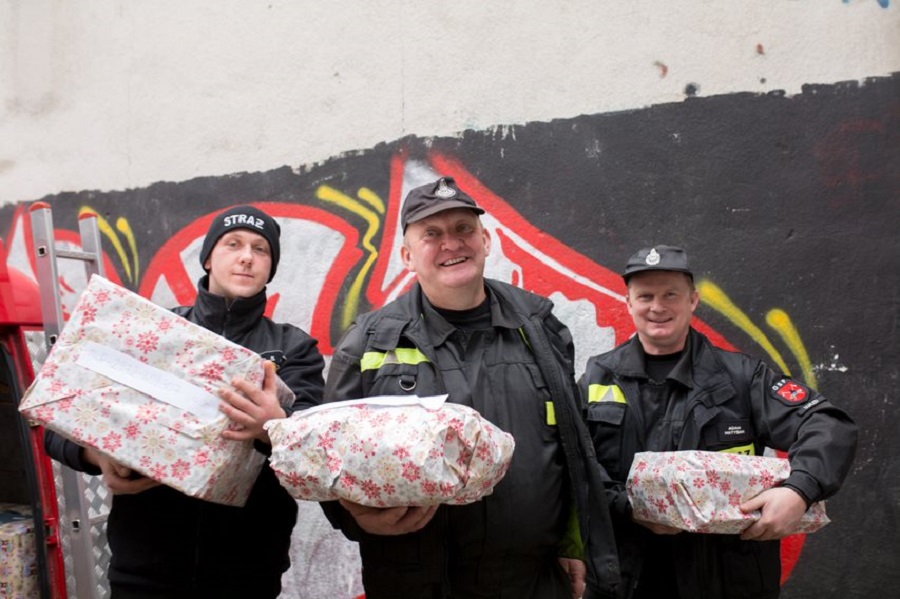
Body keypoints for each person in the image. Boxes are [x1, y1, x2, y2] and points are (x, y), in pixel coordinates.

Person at [322, 177, 620, 599]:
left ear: (485, 240)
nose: (451, 243)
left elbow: (571, 445)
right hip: (420, 583)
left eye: (463, 228)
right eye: (432, 234)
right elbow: (332, 458)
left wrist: (574, 543)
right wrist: (355, 517)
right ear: (407, 256)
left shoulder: (541, 328)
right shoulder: (369, 342)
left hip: (533, 581)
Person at [45, 205, 325, 598]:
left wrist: (273, 426)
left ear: (270, 268)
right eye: (233, 244)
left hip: (247, 573)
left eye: (261, 249)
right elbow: (59, 423)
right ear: (208, 257)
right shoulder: (152, 332)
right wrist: (98, 455)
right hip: (143, 567)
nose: (247, 256)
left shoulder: (293, 348)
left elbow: (315, 450)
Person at [578, 245, 858, 599]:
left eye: (670, 295)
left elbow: (827, 423)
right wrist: (629, 507)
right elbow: (575, 460)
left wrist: (799, 490)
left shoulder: (742, 376)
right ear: (629, 303)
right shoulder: (598, 377)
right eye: (645, 296)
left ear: (693, 300)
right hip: (625, 577)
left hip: (723, 580)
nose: (657, 307)